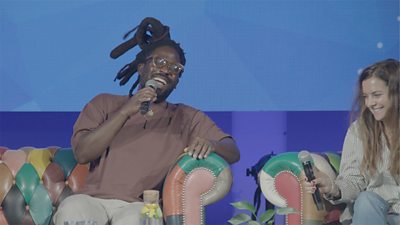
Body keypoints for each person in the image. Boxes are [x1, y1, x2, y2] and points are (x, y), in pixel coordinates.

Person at [53, 17, 240, 225]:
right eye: (159, 62)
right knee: (73, 208)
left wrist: (211, 145)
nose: (166, 70)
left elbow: (232, 150)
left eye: (175, 69)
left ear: (177, 81)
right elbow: (82, 153)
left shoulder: (187, 117)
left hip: (140, 206)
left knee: (137, 219)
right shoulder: (104, 103)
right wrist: (125, 112)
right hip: (94, 202)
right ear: (141, 67)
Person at [304, 59, 400, 225]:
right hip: (370, 213)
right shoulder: (360, 130)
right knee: (366, 200)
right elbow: (353, 180)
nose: (370, 103)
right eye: (366, 97)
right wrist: (332, 188)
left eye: (377, 95)